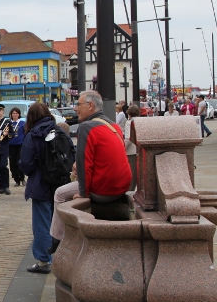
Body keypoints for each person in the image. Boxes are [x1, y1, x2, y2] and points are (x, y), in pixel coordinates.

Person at [48, 91, 131, 253]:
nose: (75, 108)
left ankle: (57, 240)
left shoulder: (86, 127)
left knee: (59, 194)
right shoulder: (113, 126)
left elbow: (84, 163)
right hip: (122, 186)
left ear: (90, 105)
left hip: (104, 189)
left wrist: (83, 193)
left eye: (78, 104)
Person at [20, 104, 70, 273]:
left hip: (40, 183)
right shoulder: (59, 130)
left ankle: (44, 260)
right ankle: (62, 256)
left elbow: (26, 163)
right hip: (60, 184)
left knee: (42, 223)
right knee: (59, 221)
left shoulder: (33, 134)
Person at [7, 107, 26, 187]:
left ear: (19, 114)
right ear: (11, 114)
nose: (15, 115)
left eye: (16, 113)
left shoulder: (22, 123)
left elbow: (25, 133)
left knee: (19, 162)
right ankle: (16, 179)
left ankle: (22, 178)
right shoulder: (8, 123)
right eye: (13, 113)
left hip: (20, 145)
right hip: (11, 145)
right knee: (12, 163)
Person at [124, 105, 140, 190]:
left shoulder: (129, 123)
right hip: (138, 150)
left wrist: (123, 148)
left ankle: (130, 191)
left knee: (131, 174)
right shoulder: (140, 121)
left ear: (129, 114)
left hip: (131, 151)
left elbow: (128, 138)